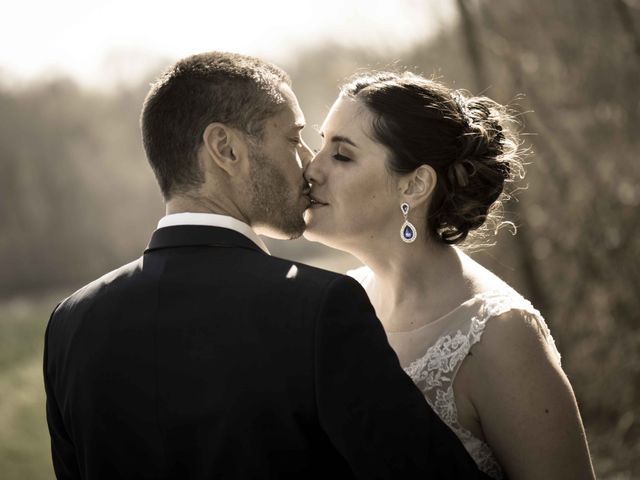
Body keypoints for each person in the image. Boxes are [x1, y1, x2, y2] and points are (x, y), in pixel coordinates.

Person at [43, 53, 490, 479]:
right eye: (294, 139)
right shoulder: (318, 310)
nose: (308, 166)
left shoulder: (69, 325)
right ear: (226, 149)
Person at [303, 71, 596, 479]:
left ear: (415, 185)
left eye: (342, 155)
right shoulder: (345, 301)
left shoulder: (500, 335)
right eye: (320, 145)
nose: (311, 169)